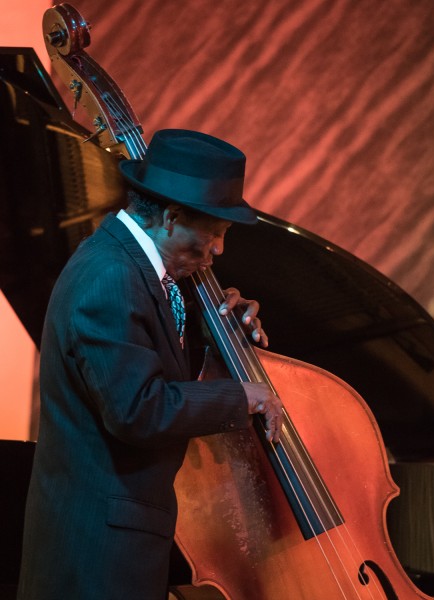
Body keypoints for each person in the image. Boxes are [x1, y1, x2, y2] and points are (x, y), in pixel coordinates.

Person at [18, 129, 283, 600]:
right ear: (171, 217)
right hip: (97, 554)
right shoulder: (111, 279)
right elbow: (138, 410)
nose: (219, 250)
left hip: (114, 542)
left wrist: (227, 345)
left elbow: (152, 367)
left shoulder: (132, 268)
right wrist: (242, 395)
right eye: (216, 233)